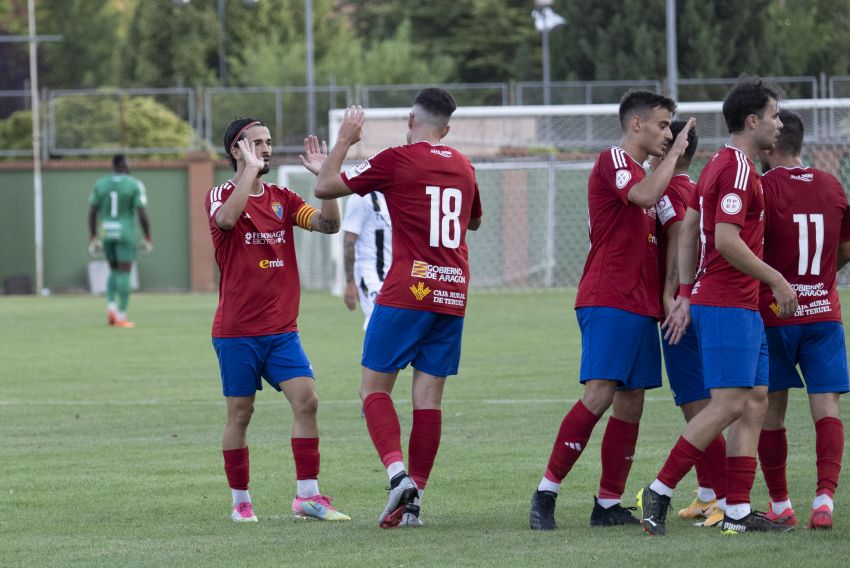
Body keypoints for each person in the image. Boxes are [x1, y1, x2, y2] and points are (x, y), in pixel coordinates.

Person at [313, 88, 483, 529]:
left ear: (411, 119)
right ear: (446, 129)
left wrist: (345, 142)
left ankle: (397, 476)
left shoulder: (398, 159)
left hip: (410, 288)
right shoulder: (464, 165)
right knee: (428, 399)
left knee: (372, 389)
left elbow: (324, 185)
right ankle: (415, 503)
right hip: (453, 291)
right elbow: (475, 219)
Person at [638, 77, 798, 536]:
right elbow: (724, 240)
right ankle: (661, 489)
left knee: (754, 404)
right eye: (773, 115)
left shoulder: (718, 165)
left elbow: (689, 231)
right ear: (752, 121)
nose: (778, 124)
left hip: (735, 303)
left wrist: (687, 293)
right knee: (729, 404)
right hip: (730, 304)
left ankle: (738, 511)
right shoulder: (738, 170)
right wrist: (776, 278)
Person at [529, 90, 695, 531]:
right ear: (636, 125)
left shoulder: (647, 173)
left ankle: (607, 503)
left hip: (640, 303)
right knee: (600, 394)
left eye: (670, 128)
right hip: (608, 296)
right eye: (662, 125)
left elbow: (674, 227)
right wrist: (675, 155)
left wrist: (667, 292)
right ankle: (546, 492)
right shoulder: (615, 160)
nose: (667, 133)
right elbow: (642, 196)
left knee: (631, 403)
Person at [206, 118, 349, 523]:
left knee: (307, 401)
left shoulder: (283, 198)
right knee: (240, 414)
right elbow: (227, 222)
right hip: (237, 332)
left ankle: (308, 496)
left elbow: (329, 224)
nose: (267, 149)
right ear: (237, 149)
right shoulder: (219, 195)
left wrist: (326, 181)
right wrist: (248, 173)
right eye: (258, 143)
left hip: (282, 330)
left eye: (269, 143)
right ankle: (240, 501)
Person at [756, 109, 850, 530]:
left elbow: (748, 249)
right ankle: (824, 499)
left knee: (770, 410)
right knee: (826, 406)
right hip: (824, 314)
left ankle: (780, 504)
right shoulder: (832, 185)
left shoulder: (762, 187)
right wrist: (823, 277)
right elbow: (845, 247)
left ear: (772, 144)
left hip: (775, 313)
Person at [653, 121, 727, 528]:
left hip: (684, 306)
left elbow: (684, 234)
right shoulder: (686, 186)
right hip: (694, 301)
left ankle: (725, 495)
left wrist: (674, 293)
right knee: (692, 400)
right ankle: (706, 492)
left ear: (674, 150)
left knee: (697, 403)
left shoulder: (675, 191)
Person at [87, 154, 152, 328]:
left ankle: (111, 307)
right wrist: (147, 236)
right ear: (124, 164)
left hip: (106, 232)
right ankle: (121, 315)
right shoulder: (134, 184)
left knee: (113, 270)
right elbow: (142, 212)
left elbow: (92, 211)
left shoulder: (100, 184)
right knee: (125, 272)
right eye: (129, 161)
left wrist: (93, 235)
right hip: (125, 233)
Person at [341, 191, 393, 330]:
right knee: (379, 325)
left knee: (394, 330)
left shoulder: (395, 194)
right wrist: (350, 282)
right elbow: (349, 242)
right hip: (371, 276)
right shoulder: (361, 198)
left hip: (394, 276)